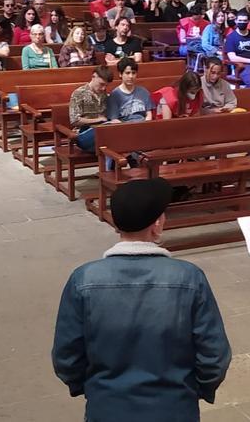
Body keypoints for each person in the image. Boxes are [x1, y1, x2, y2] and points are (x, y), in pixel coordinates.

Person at [53, 177, 231, 422]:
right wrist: (194, 391)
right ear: (156, 225)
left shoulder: (83, 279)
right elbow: (214, 355)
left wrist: (94, 390)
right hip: (173, 409)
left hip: (107, 408)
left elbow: (66, 355)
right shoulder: (189, 278)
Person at [68, 65, 113, 153]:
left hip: (102, 132)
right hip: (83, 134)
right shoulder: (79, 93)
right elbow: (74, 120)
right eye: (101, 84)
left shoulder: (104, 94)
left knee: (118, 132)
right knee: (110, 135)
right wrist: (98, 119)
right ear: (93, 76)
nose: (103, 88)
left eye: (106, 85)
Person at [106, 57, 154, 123]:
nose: (131, 76)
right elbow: (114, 119)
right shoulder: (114, 95)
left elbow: (149, 114)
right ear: (120, 74)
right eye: (127, 73)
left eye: (133, 73)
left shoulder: (144, 91)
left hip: (143, 125)